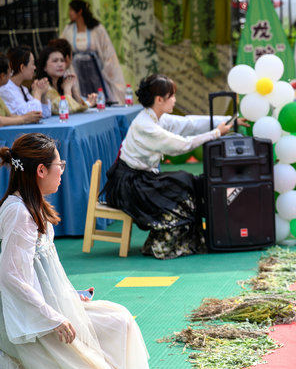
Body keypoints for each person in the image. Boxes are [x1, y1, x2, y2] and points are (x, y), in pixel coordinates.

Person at [0, 133, 151, 369]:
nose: (62, 171)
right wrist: (54, 318)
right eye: (59, 165)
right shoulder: (19, 213)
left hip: (48, 304)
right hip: (30, 317)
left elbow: (43, 269)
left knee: (119, 319)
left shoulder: (31, 204)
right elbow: (11, 277)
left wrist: (70, 295)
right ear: (41, 170)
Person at [102, 74, 242, 259]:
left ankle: (176, 240)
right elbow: (182, 145)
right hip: (130, 186)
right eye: (172, 96)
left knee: (187, 181)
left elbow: (188, 123)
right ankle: (161, 245)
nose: (175, 100)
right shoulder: (145, 125)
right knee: (182, 189)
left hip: (141, 178)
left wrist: (228, 120)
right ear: (159, 99)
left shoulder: (155, 117)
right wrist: (216, 133)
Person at [60, 0, 126, 104]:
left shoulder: (96, 28)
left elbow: (107, 49)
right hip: (76, 68)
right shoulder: (68, 30)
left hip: (94, 68)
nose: (69, 13)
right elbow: (62, 47)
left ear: (80, 11)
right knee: (80, 94)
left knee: (99, 94)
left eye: (72, 10)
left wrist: (108, 67)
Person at [35, 45, 96, 114]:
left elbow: (77, 107)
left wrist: (74, 90)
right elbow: (65, 110)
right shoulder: (42, 87)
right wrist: (67, 89)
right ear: (44, 67)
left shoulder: (61, 84)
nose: (60, 64)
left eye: (62, 60)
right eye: (55, 61)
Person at [0, 47, 51, 119]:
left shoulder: (23, 89)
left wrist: (42, 95)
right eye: (33, 64)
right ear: (22, 67)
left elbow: (45, 114)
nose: (35, 67)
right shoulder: (5, 89)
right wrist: (37, 93)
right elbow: (32, 115)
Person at [0, 56, 41, 126]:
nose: (11, 76)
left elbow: (9, 116)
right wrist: (24, 119)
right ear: (2, 76)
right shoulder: (5, 90)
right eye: (10, 72)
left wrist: (28, 117)